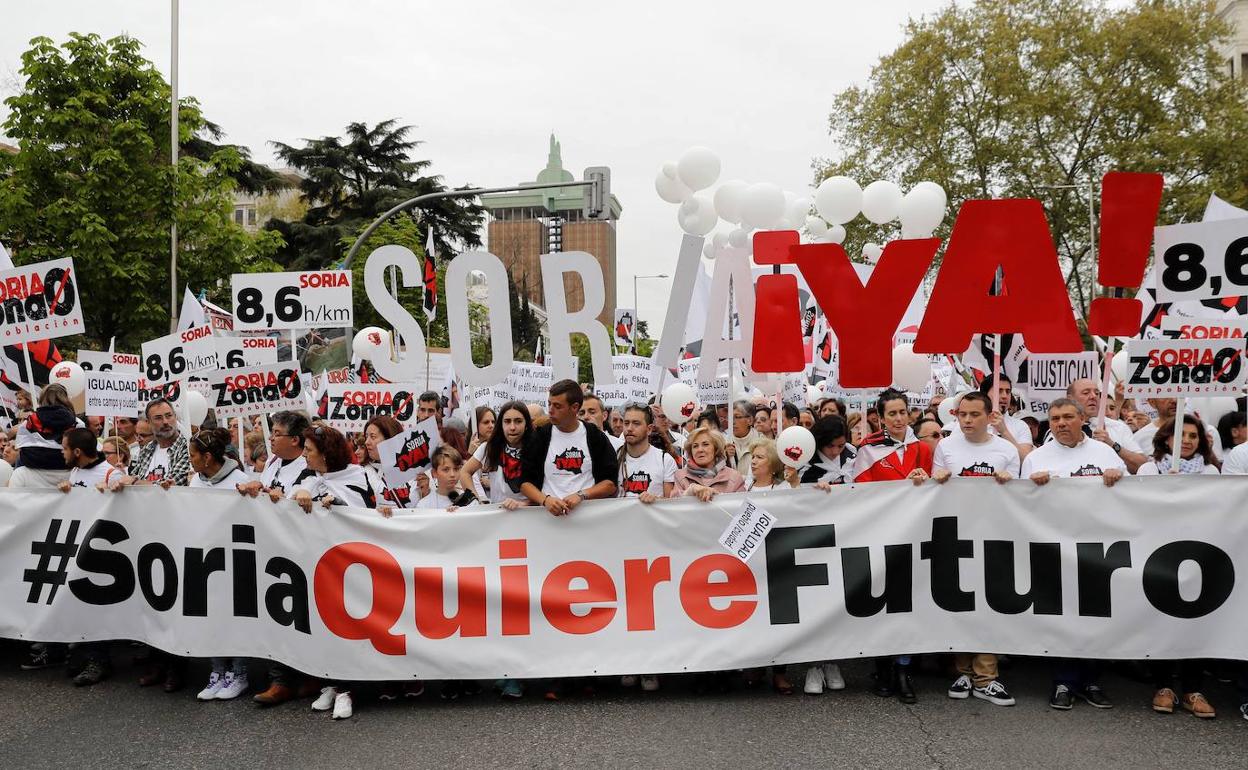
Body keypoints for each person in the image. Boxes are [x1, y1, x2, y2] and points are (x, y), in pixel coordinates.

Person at [1020, 397, 1124, 712]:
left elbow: (1131, 501)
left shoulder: (1105, 453)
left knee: (1094, 616)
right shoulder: (1036, 459)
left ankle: (1091, 680)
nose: (1061, 423)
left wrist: (1117, 480)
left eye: (1067, 417)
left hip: (1097, 549)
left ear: (1082, 419)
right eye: (1054, 419)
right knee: (1063, 617)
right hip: (1055, 549)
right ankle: (1063, 681)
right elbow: (1020, 508)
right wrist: (1033, 486)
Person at [926, 392, 1018, 707]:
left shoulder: (1006, 450)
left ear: (990, 416)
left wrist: (1010, 482)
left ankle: (986, 677)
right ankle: (963, 671)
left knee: (989, 604)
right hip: (957, 535)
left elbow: (1023, 499)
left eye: (974, 415)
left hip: (994, 536)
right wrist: (935, 480)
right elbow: (934, 491)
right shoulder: (946, 445)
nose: (966, 420)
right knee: (961, 603)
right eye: (962, 414)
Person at [293, 425, 387, 720]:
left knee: (350, 626)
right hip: (322, 564)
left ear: (325, 453)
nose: (305, 455)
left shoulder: (360, 476)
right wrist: (303, 494)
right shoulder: (313, 476)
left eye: (309, 450)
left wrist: (341, 506)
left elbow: (370, 509)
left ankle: (348, 689)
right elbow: (300, 488)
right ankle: (332, 683)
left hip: (356, 565)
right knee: (326, 624)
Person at [853, 388, 932, 703]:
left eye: (903, 412)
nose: (899, 419)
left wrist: (925, 481)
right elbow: (859, 494)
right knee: (881, 605)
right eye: (892, 414)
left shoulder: (923, 449)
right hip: (880, 536)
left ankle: (903, 669)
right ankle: (882, 667)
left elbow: (938, 489)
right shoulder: (868, 449)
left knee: (908, 605)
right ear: (880, 418)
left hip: (914, 535)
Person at [184, 427, 252, 701]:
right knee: (210, 616)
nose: (190, 459)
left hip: (234, 560)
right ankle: (217, 671)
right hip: (205, 559)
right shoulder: (195, 481)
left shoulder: (240, 480)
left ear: (208, 457)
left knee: (235, 617)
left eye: (193, 455)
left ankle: (239, 672)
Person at [519, 380, 618, 520]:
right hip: (546, 520)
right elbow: (524, 482)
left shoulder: (595, 436)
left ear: (575, 407)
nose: (550, 410)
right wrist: (546, 500)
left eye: (557, 406)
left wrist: (581, 495)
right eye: (549, 404)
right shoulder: (540, 436)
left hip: (589, 520)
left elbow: (610, 483)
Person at [461, 400, 531, 514]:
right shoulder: (489, 448)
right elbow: (465, 472)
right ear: (501, 425)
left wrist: (523, 504)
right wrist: (475, 500)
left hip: (530, 516)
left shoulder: (537, 448)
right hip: (497, 518)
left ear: (526, 424)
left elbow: (545, 489)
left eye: (518, 421)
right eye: (507, 421)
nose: (512, 427)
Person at [1065, 378, 1145, 473]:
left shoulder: (1118, 427)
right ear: (1070, 399)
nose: (1093, 396)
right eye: (1086, 393)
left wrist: (1112, 444)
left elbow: (1142, 465)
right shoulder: (1061, 429)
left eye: (1097, 393)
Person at [9, 383, 78, 488]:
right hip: (67, 468)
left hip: (31, 466)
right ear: (65, 399)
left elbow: (21, 446)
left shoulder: (29, 421)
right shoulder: (77, 422)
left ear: (42, 399)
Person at [122, 398, 190, 487]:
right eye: (158, 418)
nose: (165, 422)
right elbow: (131, 479)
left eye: (169, 415)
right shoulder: (146, 449)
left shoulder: (187, 448)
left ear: (175, 416)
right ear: (149, 423)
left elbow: (172, 484)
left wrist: (135, 482)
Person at [617, 403, 677, 504]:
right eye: (626, 423)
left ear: (649, 429)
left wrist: (655, 500)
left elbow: (671, 504)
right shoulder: (614, 457)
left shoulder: (665, 460)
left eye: (636, 423)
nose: (629, 428)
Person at [1134, 398, 1222, 463]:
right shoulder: (1139, 437)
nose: (1174, 400)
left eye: (1179, 394)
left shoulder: (1209, 431)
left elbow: (1218, 474)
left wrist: (1208, 450)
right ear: (1152, 402)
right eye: (1166, 394)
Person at [673, 426, 745, 500]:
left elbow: (741, 507)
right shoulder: (680, 476)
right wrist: (688, 493)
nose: (700, 450)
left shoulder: (734, 477)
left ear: (716, 448)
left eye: (705, 444)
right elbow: (672, 506)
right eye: (695, 446)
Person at [1135, 415, 1220, 476]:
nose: (1187, 441)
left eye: (1193, 436)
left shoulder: (1210, 472)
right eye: (1180, 434)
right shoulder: (1148, 470)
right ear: (1166, 439)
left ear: (1199, 442)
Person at [978, 374, 1033, 460]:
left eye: (1008, 392)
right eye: (999, 391)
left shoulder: (1020, 426)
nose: (1004, 396)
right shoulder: (970, 424)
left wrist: (1004, 432)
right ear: (984, 395)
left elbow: (1026, 461)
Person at [799, 416, 856, 487]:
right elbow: (798, 494)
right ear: (820, 442)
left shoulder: (852, 454)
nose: (835, 452)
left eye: (840, 446)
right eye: (830, 446)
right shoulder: (806, 467)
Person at [58, 427, 120, 492]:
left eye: (65, 448)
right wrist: (67, 490)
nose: (62, 452)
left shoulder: (112, 475)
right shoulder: (75, 470)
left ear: (77, 452)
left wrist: (107, 493)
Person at [415, 445, 473, 511]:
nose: (452, 474)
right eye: (446, 469)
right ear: (434, 473)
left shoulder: (469, 500)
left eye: (456, 469)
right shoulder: (423, 505)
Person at [726, 400, 759, 474]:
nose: (732, 422)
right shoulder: (724, 442)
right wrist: (724, 457)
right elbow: (713, 472)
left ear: (750, 420)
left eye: (737, 417)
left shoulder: (761, 442)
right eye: (730, 417)